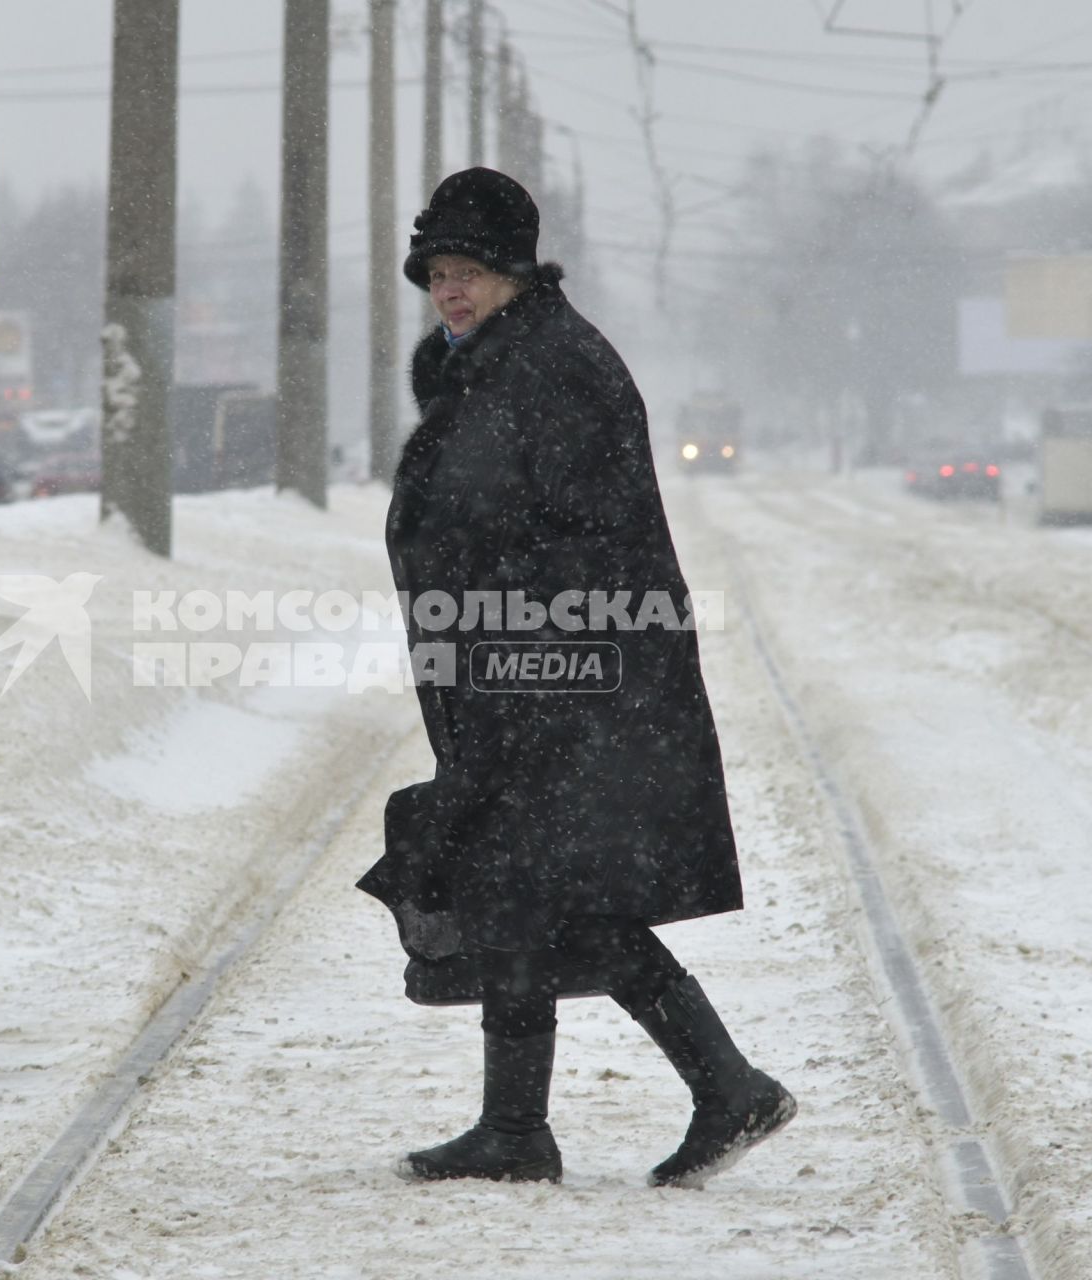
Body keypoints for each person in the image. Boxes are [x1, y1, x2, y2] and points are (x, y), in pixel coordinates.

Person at [357, 167, 795, 1188]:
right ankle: (568, 1115)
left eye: (469, 271)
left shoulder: (547, 370)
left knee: (534, 884)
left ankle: (660, 1097)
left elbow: (565, 538)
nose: (451, 290)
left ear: (514, 272)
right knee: (529, 891)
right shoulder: (503, 364)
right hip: (533, 671)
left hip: (565, 676)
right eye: (438, 273)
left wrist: (523, 659)